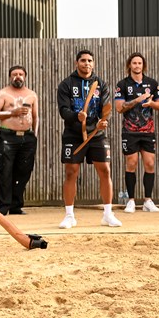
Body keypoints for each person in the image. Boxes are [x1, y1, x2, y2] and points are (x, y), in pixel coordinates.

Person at [57, 49, 120, 228]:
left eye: (90, 60)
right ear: (77, 63)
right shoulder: (66, 84)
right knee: (71, 172)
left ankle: (108, 214)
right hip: (73, 134)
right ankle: (69, 215)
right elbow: (63, 110)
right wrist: (76, 116)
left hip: (96, 134)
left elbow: (105, 108)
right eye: (83, 60)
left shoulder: (101, 84)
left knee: (105, 170)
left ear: (93, 63)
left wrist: (102, 122)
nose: (87, 63)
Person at [114, 52, 159, 213]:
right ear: (129, 65)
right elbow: (119, 108)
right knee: (131, 164)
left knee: (149, 163)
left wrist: (150, 103)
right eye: (134, 63)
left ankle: (148, 200)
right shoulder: (122, 84)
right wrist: (137, 99)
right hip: (130, 131)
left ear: (143, 65)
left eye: (140, 63)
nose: (137, 66)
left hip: (148, 131)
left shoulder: (152, 83)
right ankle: (131, 201)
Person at [0, 65, 39, 216]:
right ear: (10, 77)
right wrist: (13, 112)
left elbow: (36, 116)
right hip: (8, 136)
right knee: (5, 170)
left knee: (24, 171)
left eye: (20, 74)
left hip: (27, 137)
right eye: (14, 74)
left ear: (25, 76)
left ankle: (16, 206)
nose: (18, 76)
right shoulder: (3, 93)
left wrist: (34, 134)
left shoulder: (32, 94)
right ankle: (3, 206)